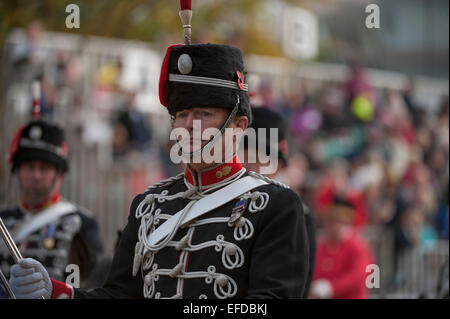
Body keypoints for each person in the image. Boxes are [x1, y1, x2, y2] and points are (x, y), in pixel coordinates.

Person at [8, 41, 310, 299]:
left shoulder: (276, 206)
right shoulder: (149, 204)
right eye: (182, 115)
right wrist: (58, 292)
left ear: (238, 126)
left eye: (204, 114)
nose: (189, 126)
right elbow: (118, 294)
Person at [0, 119, 103, 297]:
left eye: (44, 168)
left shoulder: (81, 222)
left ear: (60, 175)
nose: (36, 175)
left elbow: (89, 285)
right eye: (29, 167)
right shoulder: (3, 218)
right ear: (17, 170)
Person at [241, 106, 316, 298]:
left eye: (253, 158)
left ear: (277, 165)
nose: (243, 166)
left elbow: (289, 287)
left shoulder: (291, 211)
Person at [310, 197, 374, 299]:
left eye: (337, 221)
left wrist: (332, 287)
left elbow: (359, 275)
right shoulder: (322, 245)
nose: (333, 226)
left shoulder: (357, 246)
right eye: (331, 221)